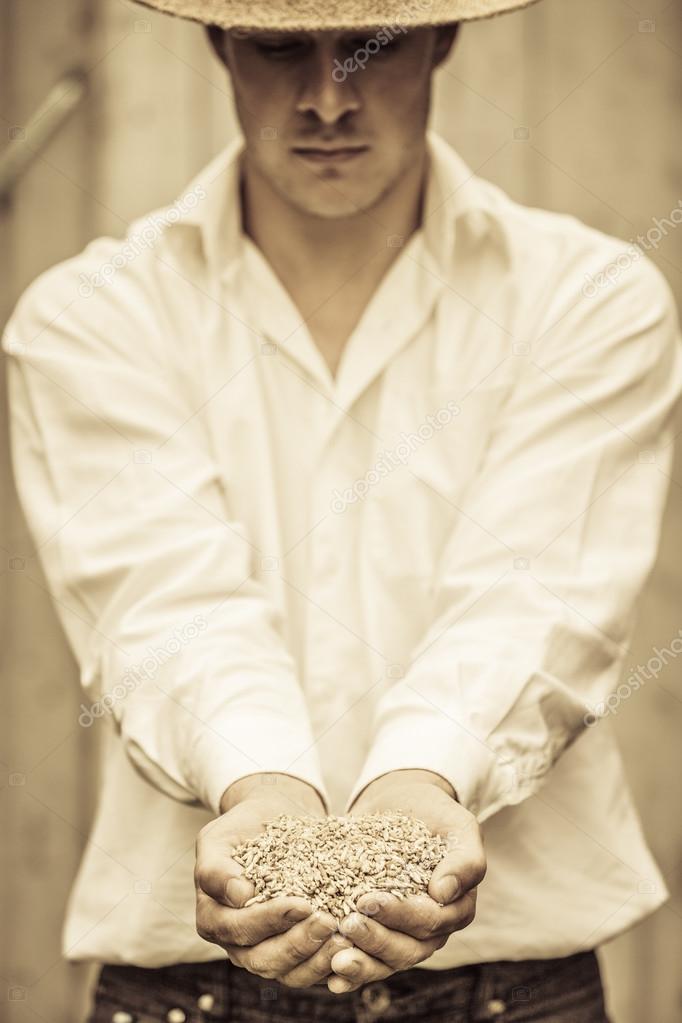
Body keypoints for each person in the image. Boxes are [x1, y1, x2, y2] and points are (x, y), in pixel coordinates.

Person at [3, 0, 681, 1020]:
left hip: (510, 985)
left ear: (443, 38)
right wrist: (262, 789)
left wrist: (421, 781)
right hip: (190, 985)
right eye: (281, 49)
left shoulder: (585, 298)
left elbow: (532, 591)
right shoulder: (94, 317)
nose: (329, 98)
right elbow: (163, 601)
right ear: (217, 43)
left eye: (375, 47)